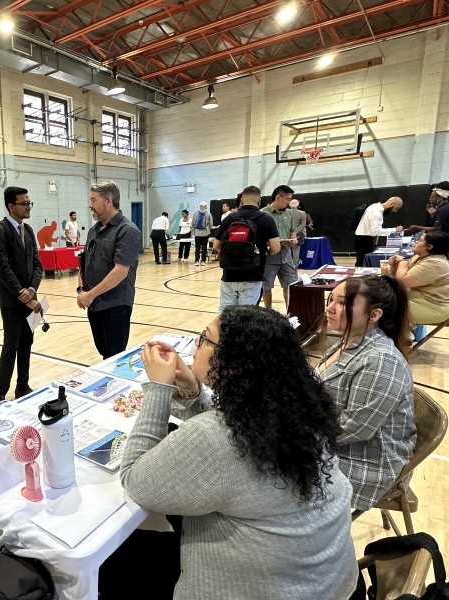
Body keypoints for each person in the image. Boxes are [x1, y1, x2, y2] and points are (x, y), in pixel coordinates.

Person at [107, 306, 357, 600]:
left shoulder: (212, 436)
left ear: (232, 363)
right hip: (329, 583)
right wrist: (191, 390)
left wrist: (158, 390)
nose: (196, 346)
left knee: (118, 557)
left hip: (266, 587)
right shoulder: (297, 411)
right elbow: (241, 436)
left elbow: (136, 479)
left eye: (204, 338)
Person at [318, 275, 416, 511]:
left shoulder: (380, 360)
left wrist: (293, 435)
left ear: (374, 315)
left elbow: (354, 428)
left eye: (342, 303)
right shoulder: (349, 341)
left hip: (368, 462)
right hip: (334, 441)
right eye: (331, 299)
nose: (329, 308)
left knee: (267, 471)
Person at [0, 186, 43, 403]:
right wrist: (23, 294)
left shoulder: (27, 230)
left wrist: (32, 290)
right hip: (12, 301)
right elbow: (2, 269)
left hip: (29, 297)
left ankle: (22, 386)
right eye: (24, 203)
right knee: (11, 344)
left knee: (27, 343)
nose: (28, 207)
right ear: (11, 206)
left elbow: (37, 264)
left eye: (29, 203)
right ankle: (1, 391)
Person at [78, 181, 141, 359]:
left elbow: (121, 271)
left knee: (114, 356)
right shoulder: (94, 230)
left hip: (115, 305)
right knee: (104, 353)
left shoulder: (127, 231)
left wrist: (90, 294)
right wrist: (82, 290)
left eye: (93, 200)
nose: (89, 205)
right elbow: (85, 262)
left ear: (108, 201)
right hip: (95, 304)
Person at [213, 186, 280, 311]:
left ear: (242, 201)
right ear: (259, 201)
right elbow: (276, 248)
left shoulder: (229, 218)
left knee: (225, 314)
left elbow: (216, 246)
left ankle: (224, 331)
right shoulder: (266, 219)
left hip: (229, 274)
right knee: (246, 314)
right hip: (252, 275)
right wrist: (265, 251)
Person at [389, 231, 449, 325]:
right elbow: (397, 280)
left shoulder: (436, 263)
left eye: (420, 241)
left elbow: (403, 282)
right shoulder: (419, 257)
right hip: (415, 298)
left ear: (429, 246)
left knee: (381, 309)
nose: (416, 242)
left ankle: (395, 338)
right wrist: (395, 267)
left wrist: (402, 262)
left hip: (433, 305)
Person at [260, 185, 298, 308]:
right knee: (266, 287)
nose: (289, 203)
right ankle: (269, 312)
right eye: (287, 199)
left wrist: (293, 238)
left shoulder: (289, 213)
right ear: (278, 197)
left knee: (290, 285)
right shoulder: (262, 214)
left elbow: (292, 230)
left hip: (286, 257)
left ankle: (291, 313)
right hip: (269, 258)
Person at [354, 196, 404, 266]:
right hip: (364, 240)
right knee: (362, 263)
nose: (395, 211)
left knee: (362, 261)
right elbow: (376, 231)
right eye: (396, 208)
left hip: (364, 238)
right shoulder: (376, 212)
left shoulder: (374, 206)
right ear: (392, 204)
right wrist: (395, 230)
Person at [192, 201, 213, 266]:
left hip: (197, 233)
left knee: (197, 247)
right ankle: (203, 261)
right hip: (205, 233)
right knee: (204, 247)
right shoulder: (208, 214)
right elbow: (211, 224)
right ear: (205, 206)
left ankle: (196, 261)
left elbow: (193, 223)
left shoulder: (195, 213)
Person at [289, 198, 307, 268]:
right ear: (298, 205)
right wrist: (295, 232)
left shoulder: (285, 212)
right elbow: (303, 225)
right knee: (296, 252)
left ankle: (288, 267)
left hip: (286, 235)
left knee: (286, 252)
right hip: (298, 235)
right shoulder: (302, 213)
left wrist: (291, 232)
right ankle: (294, 267)